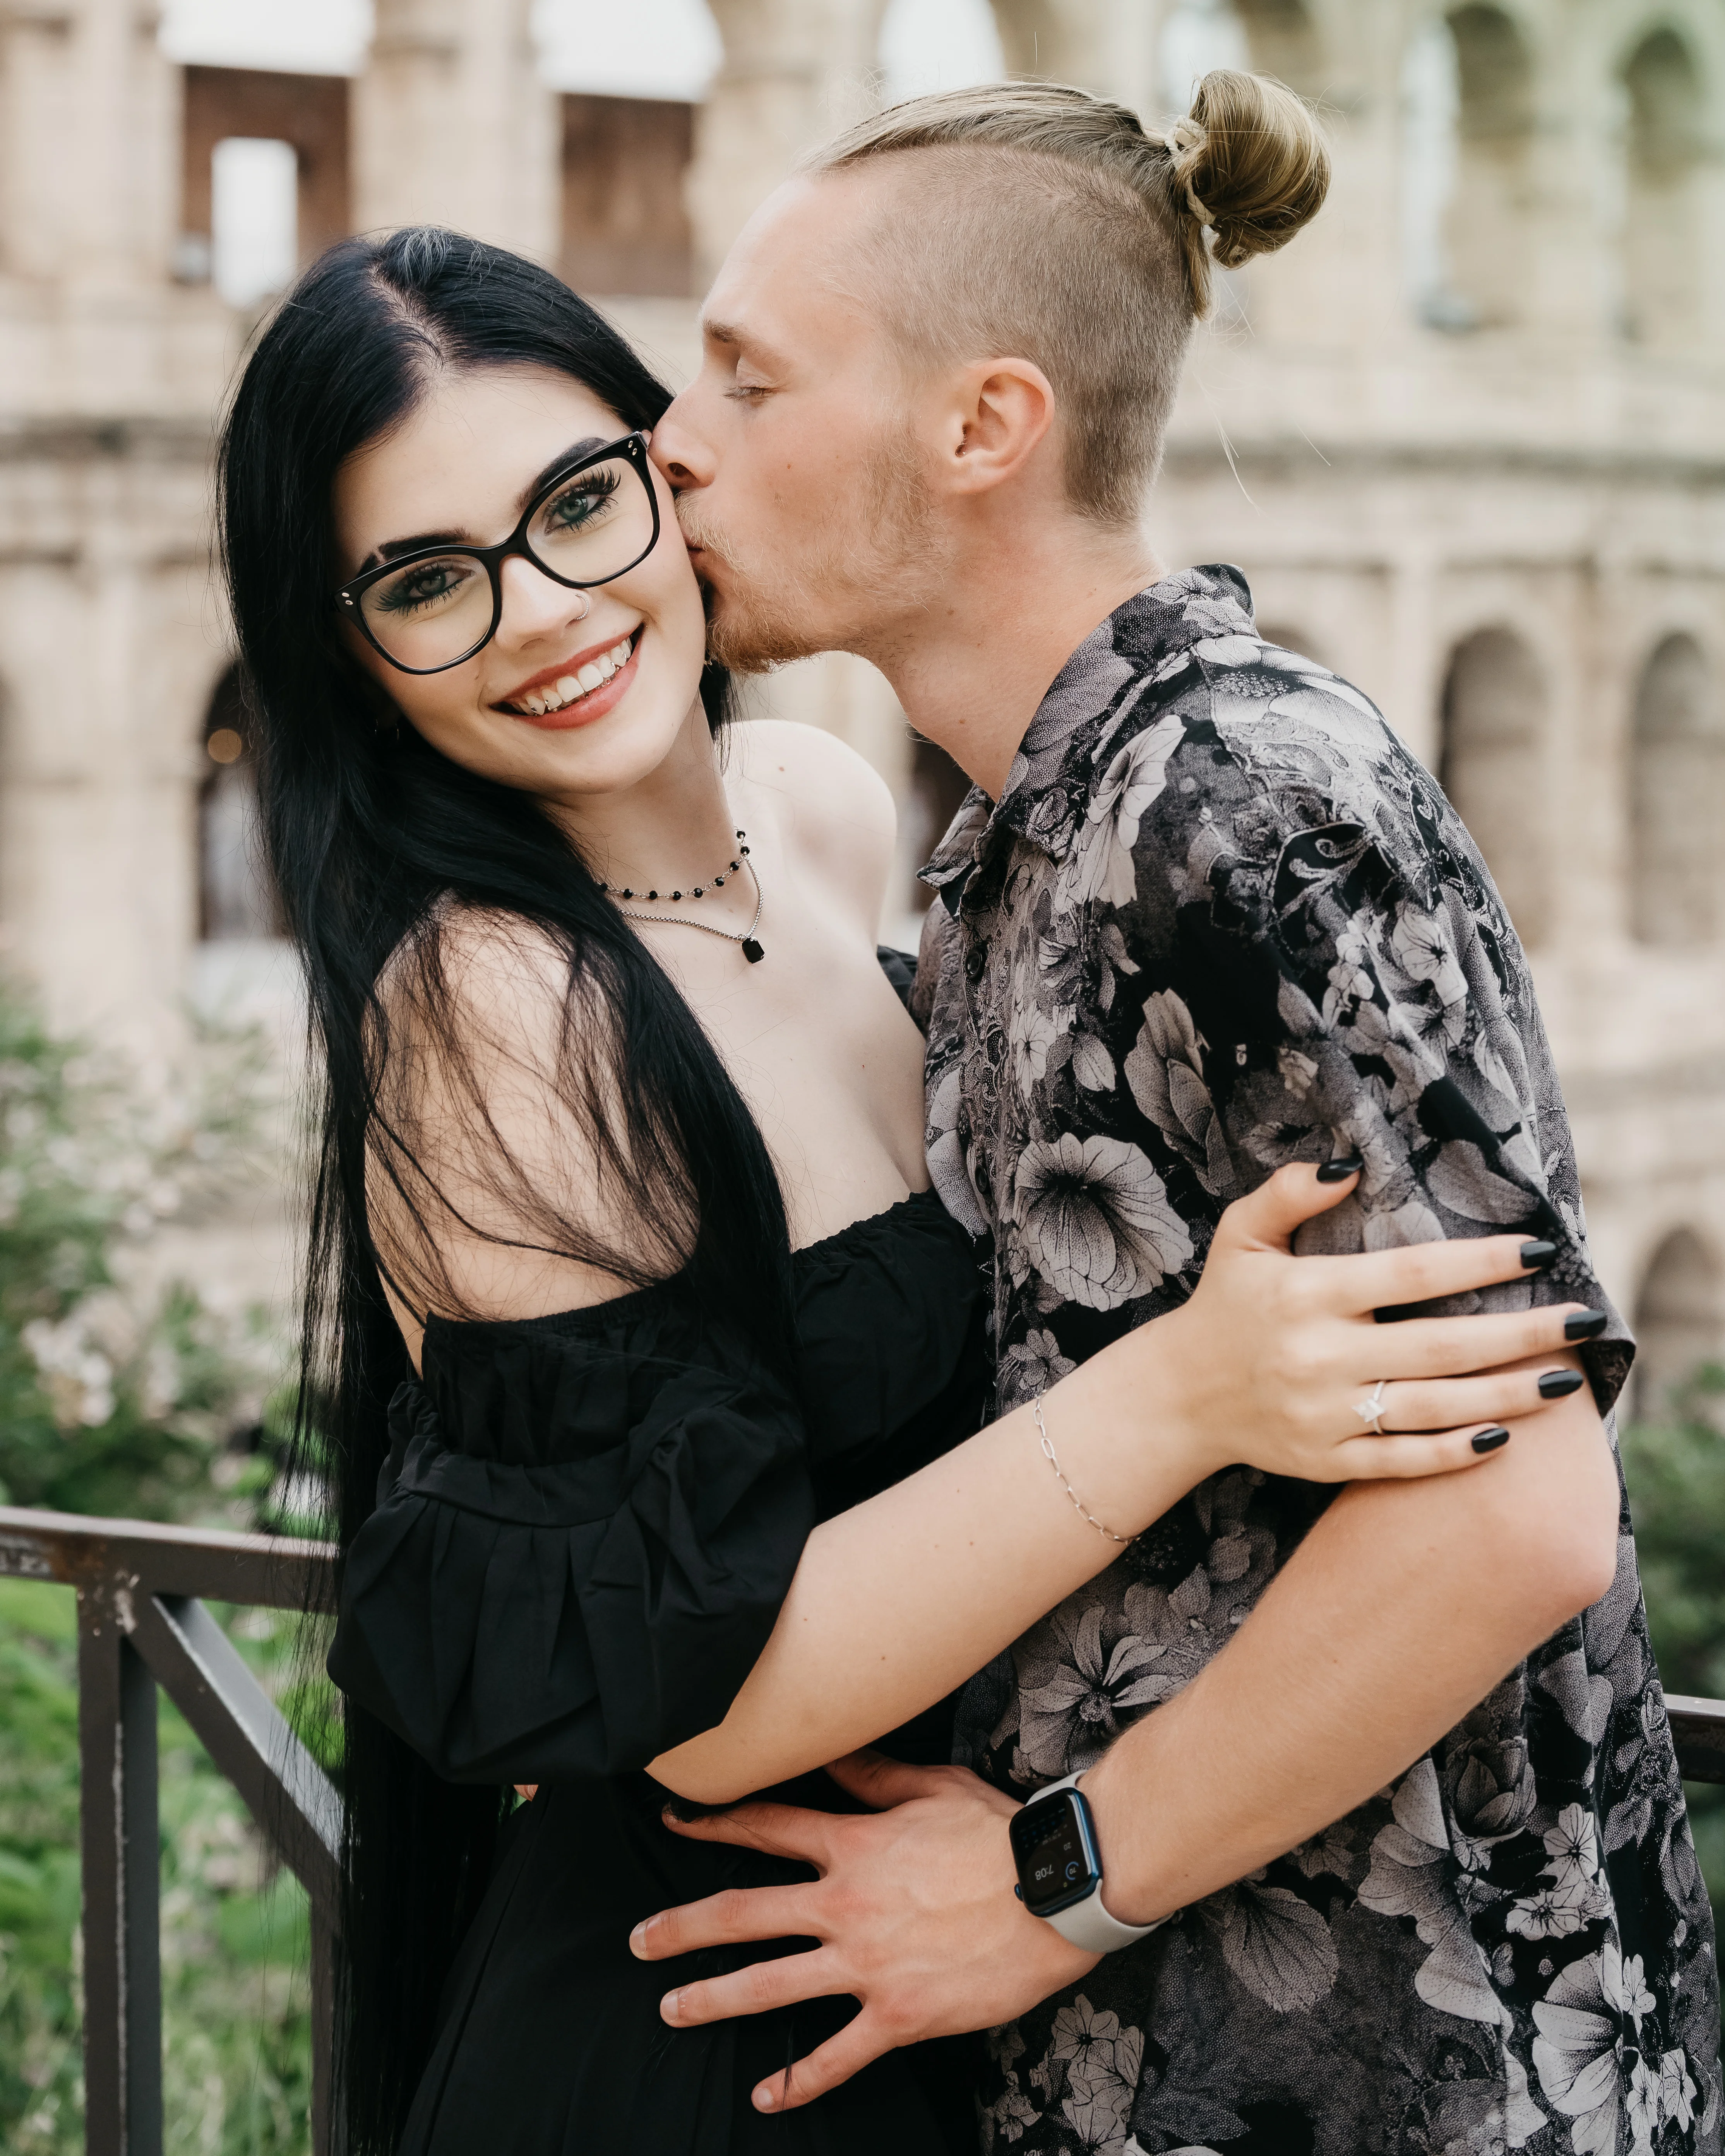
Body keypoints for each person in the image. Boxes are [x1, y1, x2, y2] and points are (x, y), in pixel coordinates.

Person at [218, 226, 1597, 2155]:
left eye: (576, 508)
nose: (540, 612)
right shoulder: (489, 1003)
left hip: (973, 1963)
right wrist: (1185, 1391)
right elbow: (696, 1698)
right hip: (725, 2018)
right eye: (429, 581)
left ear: (665, 476)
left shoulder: (822, 806)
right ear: (352, 656)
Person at [635, 69, 1722, 2153]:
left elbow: (1509, 1504)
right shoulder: (1038, 833)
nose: (674, 442)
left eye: (748, 382)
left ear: (981, 427)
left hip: (1419, 2080)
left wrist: (1051, 1881)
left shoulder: (1237, 808)